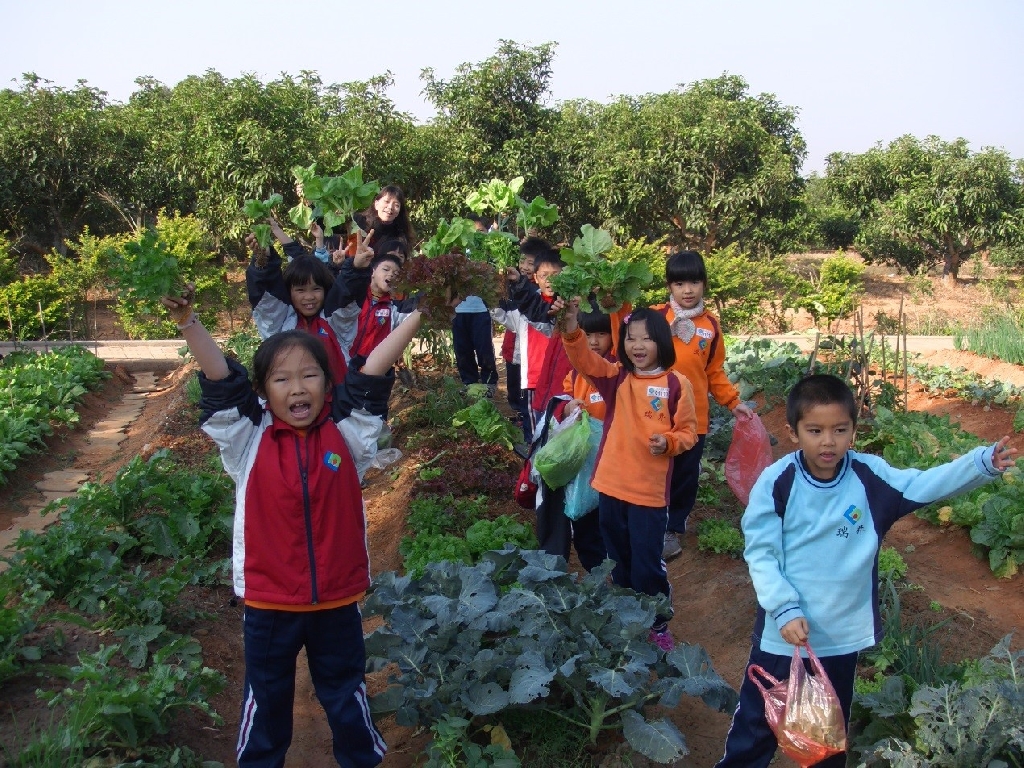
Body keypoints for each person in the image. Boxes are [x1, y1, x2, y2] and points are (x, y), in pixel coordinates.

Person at [161, 288, 426, 768]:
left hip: (337, 601)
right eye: (281, 379)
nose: (297, 388)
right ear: (263, 391)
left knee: (347, 695)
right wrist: (188, 322)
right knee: (266, 700)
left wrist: (420, 316)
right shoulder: (246, 438)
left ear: (328, 383)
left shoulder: (347, 433)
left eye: (309, 375)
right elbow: (219, 379)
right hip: (269, 601)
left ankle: (361, 760)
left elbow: (373, 373)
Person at [714, 374, 1017, 768]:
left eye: (840, 430)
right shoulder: (778, 483)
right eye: (815, 430)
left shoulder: (869, 476)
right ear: (792, 433)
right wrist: (784, 608)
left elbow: (924, 484)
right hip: (784, 633)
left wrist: (979, 464)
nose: (828, 441)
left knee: (827, 733)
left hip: (840, 633)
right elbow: (761, 552)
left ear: (853, 431)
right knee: (756, 726)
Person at [559, 301, 698, 651]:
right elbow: (583, 360)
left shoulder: (676, 384)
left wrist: (667, 442)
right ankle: (626, 614)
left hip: (648, 495)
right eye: (632, 338)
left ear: (662, 342)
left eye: (647, 339)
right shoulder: (615, 378)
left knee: (647, 563)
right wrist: (572, 327)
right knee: (618, 558)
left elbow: (688, 434)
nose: (638, 346)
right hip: (609, 486)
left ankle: (657, 622)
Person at [613, 251, 753, 561]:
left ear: (704, 285)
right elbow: (623, 336)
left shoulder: (711, 327)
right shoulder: (655, 317)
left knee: (684, 475)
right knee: (650, 469)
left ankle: (671, 528)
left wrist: (733, 403)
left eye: (694, 282)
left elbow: (714, 372)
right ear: (669, 287)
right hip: (653, 413)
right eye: (679, 283)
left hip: (693, 417)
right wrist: (616, 299)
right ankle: (641, 520)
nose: (687, 290)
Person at [531, 308, 612, 571]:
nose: (595, 341)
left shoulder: (617, 371)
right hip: (584, 462)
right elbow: (562, 399)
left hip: (612, 464)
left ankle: (610, 573)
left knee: (605, 522)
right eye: (589, 334)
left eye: (603, 334)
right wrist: (567, 409)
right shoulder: (576, 373)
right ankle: (597, 575)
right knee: (585, 518)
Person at [245, 228, 360, 384]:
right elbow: (268, 302)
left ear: (326, 290)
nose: (309, 297)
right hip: (290, 405)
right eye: (300, 290)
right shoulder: (282, 322)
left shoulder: (334, 321)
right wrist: (263, 262)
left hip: (336, 404)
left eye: (316, 289)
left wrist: (357, 269)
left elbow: (346, 299)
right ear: (288, 292)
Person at [491, 246, 562, 441]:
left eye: (555, 275)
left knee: (559, 420)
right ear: (536, 278)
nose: (549, 280)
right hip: (534, 375)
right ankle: (534, 463)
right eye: (544, 275)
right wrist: (492, 296)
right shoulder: (527, 303)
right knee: (534, 424)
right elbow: (507, 319)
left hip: (560, 376)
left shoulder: (566, 305)